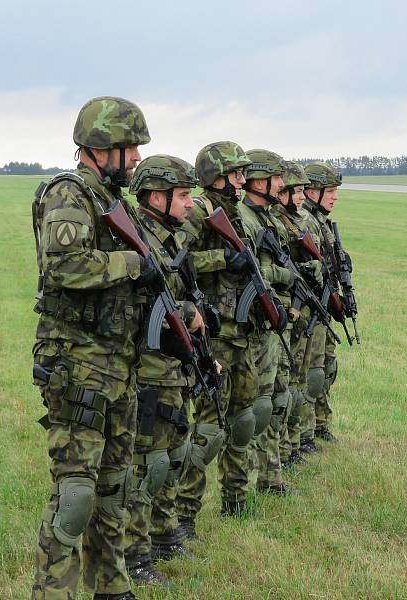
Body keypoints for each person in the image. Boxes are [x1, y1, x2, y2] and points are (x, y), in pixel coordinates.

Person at [30, 96, 155, 600]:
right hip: (77, 364)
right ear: (103, 149)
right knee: (76, 494)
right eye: (132, 149)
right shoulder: (70, 195)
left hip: (116, 363)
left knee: (114, 486)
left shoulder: (112, 201)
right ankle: (52, 592)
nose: (138, 160)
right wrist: (130, 264)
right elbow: (64, 267)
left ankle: (111, 586)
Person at [121, 155, 206, 586]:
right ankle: (135, 556)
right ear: (158, 196)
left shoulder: (167, 239)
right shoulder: (136, 238)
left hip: (171, 367)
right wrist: (187, 312)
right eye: (184, 194)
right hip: (148, 370)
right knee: (145, 465)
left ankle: (164, 532)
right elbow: (133, 306)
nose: (191, 204)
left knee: (174, 454)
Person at [174, 141, 260, 528]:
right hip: (213, 334)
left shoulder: (236, 214)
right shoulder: (199, 211)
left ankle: (236, 499)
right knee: (208, 427)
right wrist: (223, 258)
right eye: (236, 173)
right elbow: (176, 262)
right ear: (216, 176)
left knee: (243, 419)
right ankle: (185, 514)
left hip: (241, 333)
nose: (243, 180)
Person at [237, 149, 296, 495]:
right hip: (249, 327)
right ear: (260, 180)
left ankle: (271, 478)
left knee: (273, 401)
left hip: (270, 323)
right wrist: (280, 274)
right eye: (277, 179)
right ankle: (240, 489)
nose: (283, 186)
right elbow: (251, 271)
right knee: (252, 410)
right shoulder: (242, 217)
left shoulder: (270, 219)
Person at [271, 161, 322, 468]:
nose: (302, 197)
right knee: (285, 385)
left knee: (299, 380)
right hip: (287, 309)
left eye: (304, 190)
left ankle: (293, 444)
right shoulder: (277, 222)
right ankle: (285, 450)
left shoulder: (298, 221)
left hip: (300, 307)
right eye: (297, 190)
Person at [301, 162, 344, 448]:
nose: (335, 197)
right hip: (312, 306)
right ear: (312, 191)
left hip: (324, 304)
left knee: (326, 366)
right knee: (312, 371)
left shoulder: (321, 221)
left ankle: (319, 422)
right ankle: (304, 433)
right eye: (329, 191)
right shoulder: (306, 220)